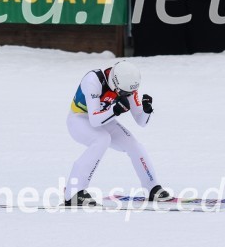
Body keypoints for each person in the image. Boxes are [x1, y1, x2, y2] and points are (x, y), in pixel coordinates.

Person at [65, 61, 170, 206]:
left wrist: (146, 110)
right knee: (102, 139)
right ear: (114, 84)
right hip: (79, 119)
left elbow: (141, 121)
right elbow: (94, 120)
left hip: (106, 120)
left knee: (133, 145)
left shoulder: (127, 86)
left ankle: (152, 187)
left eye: (130, 93)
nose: (128, 95)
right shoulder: (94, 80)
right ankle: (74, 193)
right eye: (125, 93)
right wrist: (114, 110)